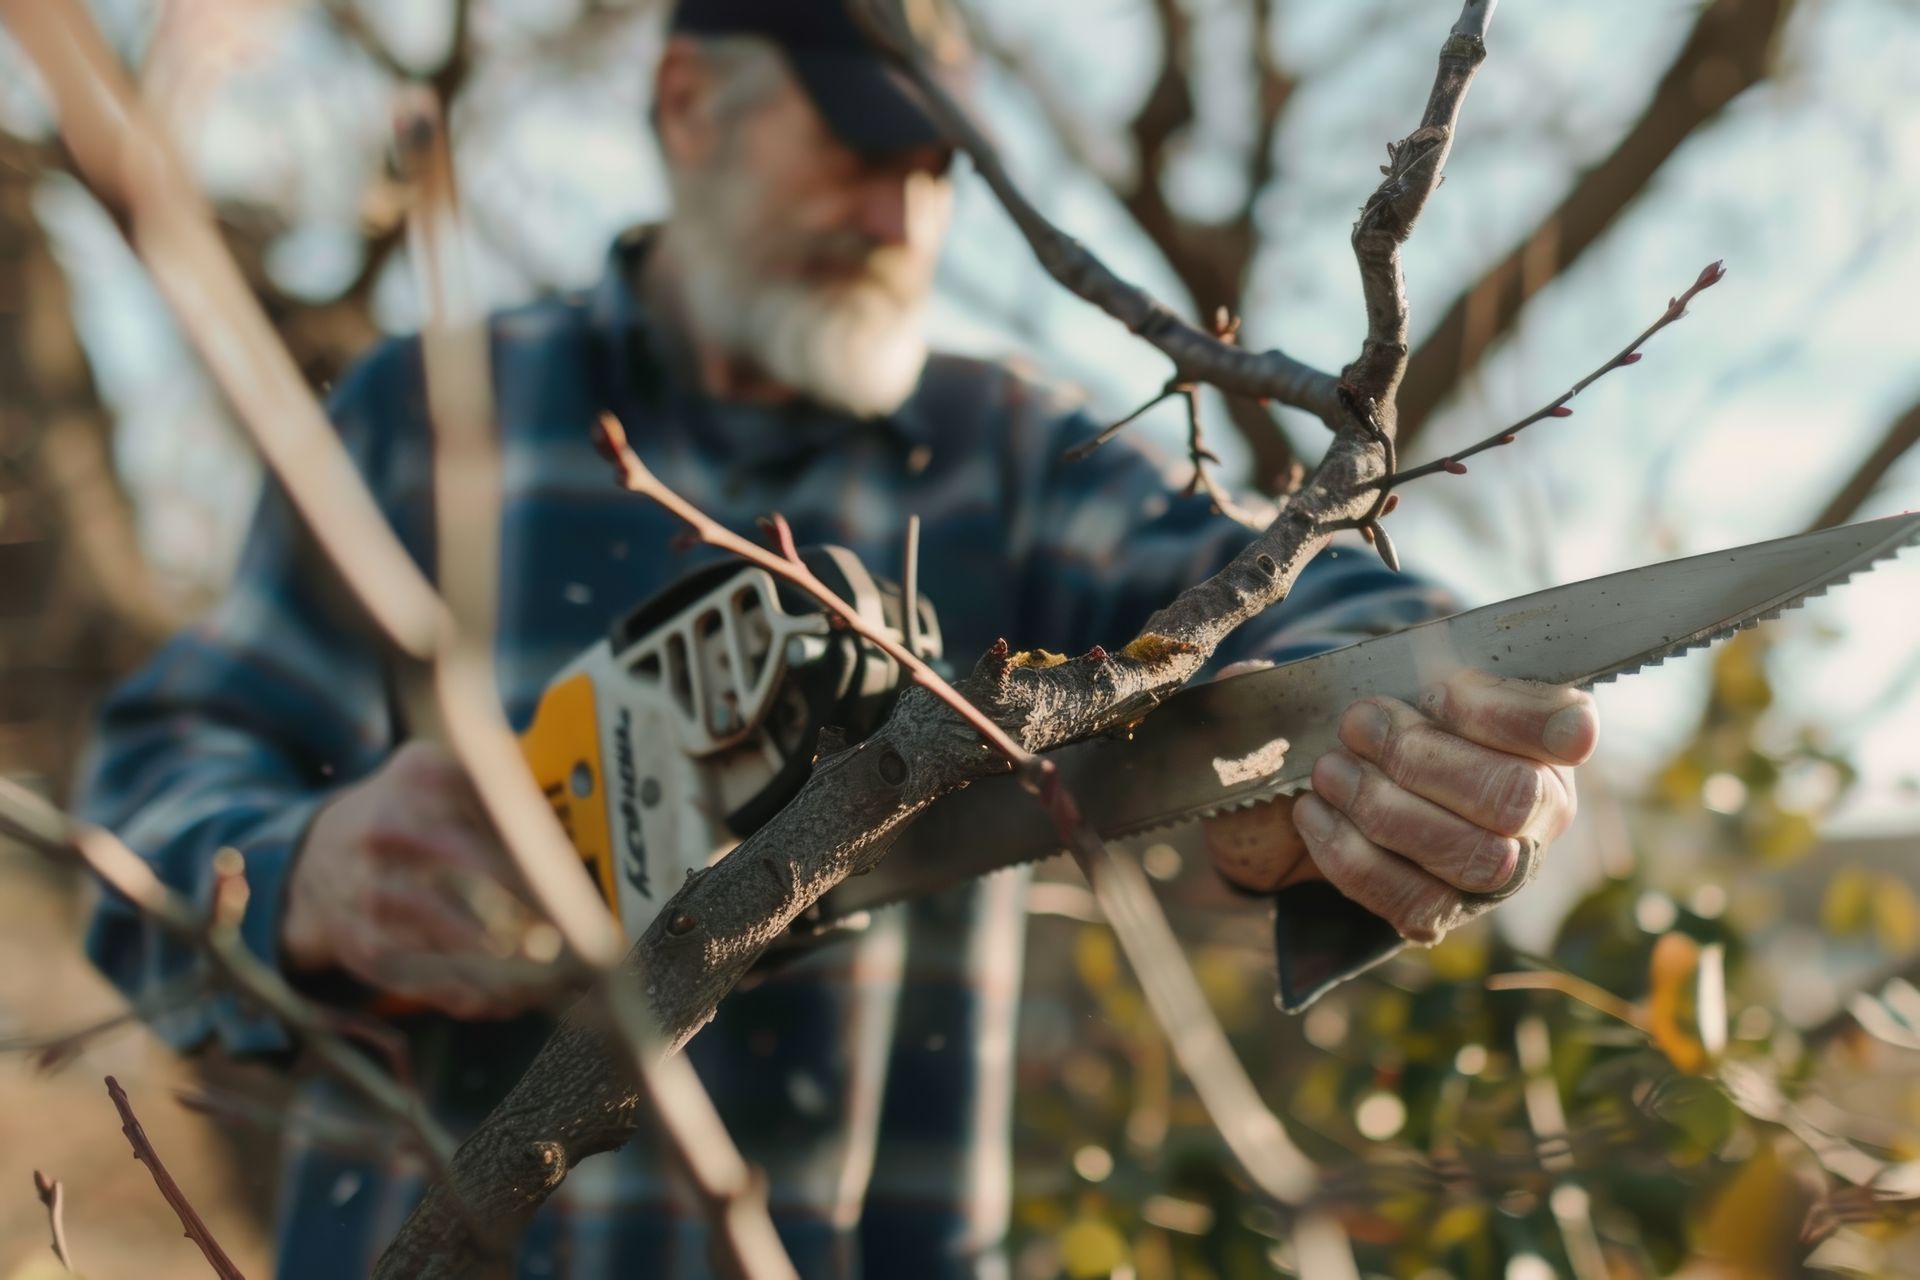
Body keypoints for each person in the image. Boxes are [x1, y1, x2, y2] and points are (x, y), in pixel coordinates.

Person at [76, 0, 1598, 1275]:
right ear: (689, 105)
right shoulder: (430, 421)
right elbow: (155, 790)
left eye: (939, 172)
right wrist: (302, 877)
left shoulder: (1010, 456)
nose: (902, 220)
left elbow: (1292, 587)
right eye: (863, 156)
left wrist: (1377, 738)